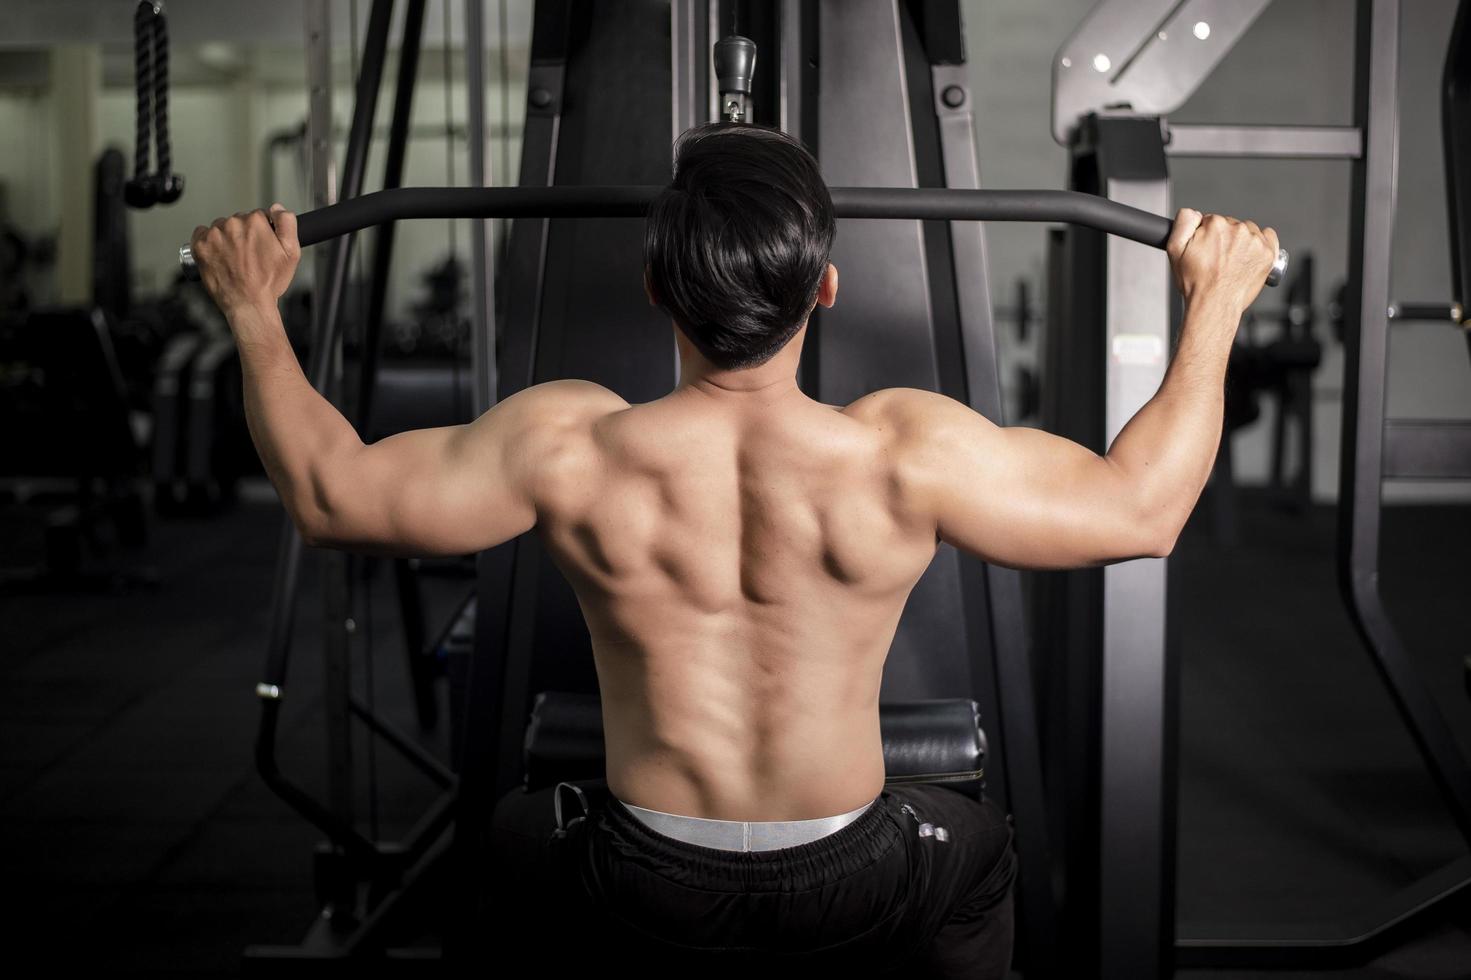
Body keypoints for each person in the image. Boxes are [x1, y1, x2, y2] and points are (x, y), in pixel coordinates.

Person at [188, 121, 1278, 978]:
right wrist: (1215, 305)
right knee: (976, 854)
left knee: (513, 843)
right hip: (853, 876)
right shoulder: (902, 449)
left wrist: (252, 309)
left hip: (634, 876)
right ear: (825, 287)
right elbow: (1144, 510)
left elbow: (330, 493)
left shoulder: (569, 445)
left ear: (657, 285)